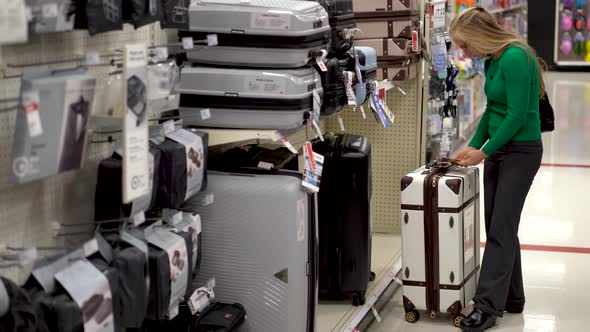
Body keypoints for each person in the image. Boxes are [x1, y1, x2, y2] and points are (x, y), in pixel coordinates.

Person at [449, 7, 545, 332]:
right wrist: (475, 147)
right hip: (499, 149)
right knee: (496, 224)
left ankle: (487, 306)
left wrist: (484, 152)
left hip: (521, 151)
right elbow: (493, 110)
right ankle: (513, 297)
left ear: (479, 36)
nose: (465, 52)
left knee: (502, 226)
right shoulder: (491, 60)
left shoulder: (516, 57)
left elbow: (517, 115)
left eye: (465, 45)